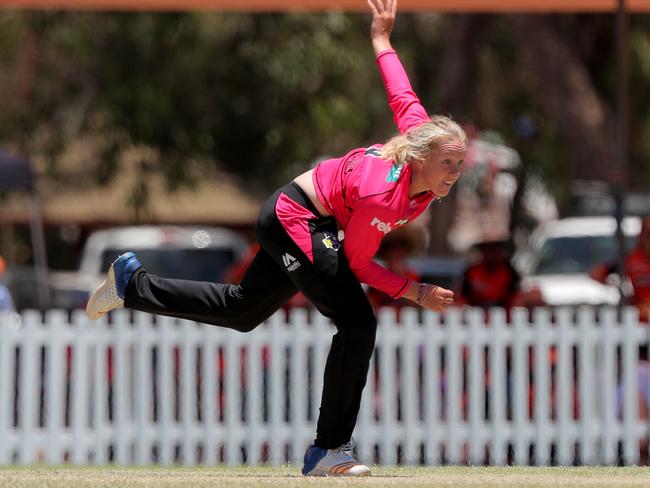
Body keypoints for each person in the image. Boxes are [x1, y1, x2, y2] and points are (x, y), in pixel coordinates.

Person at [85, 0, 465, 477]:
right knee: (357, 321)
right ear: (422, 158)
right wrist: (415, 291)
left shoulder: (419, 142)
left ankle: (130, 285)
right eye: (447, 163)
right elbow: (359, 264)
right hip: (297, 218)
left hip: (307, 219)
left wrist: (382, 39)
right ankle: (329, 450)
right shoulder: (382, 196)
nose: (454, 173)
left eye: (459, 164)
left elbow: (402, 95)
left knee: (243, 311)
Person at [591, 215, 650, 321]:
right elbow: (596, 274)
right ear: (642, 236)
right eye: (648, 234)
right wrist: (618, 288)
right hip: (639, 320)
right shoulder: (631, 259)